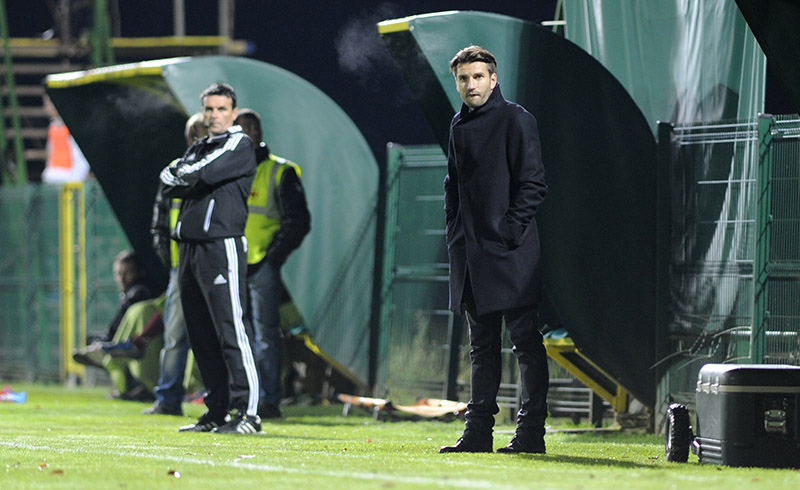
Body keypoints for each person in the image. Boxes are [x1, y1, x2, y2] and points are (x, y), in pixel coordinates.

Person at [439, 46, 549, 454]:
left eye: (478, 76)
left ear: (493, 79)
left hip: (511, 253)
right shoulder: (457, 125)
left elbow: (533, 183)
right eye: (464, 78)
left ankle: (530, 434)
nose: (471, 84)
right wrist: (455, 229)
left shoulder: (517, 119)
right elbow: (453, 185)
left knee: (525, 343)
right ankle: (477, 434)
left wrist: (506, 232)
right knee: (481, 348)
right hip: (471, 254)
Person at [159, 82, 261, 434]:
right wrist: (191, 177)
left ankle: (248, 413)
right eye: (209, 109)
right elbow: (167, 179)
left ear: (234, 113)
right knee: (201, 335)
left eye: (221, 109)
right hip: (188, 248)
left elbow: (202, 174)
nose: (214, 115)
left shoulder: (239, 144)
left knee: (231, 330)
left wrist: (190, 177)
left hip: (221, 245)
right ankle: (216, 411)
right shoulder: (201, 146)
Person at [235, 109, 311, 419]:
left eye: (254, 127)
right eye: (244, 128)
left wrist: (272, 258)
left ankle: (267, 399)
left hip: (261, 265)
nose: (250, 133)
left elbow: (299, 221)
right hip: (233, 265)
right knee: (239, 336)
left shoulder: (280, 171)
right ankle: (244, 397)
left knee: (265, 336)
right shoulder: (228, 171)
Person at [142, 112, 207, 417]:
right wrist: (170, 260)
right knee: (175, 336)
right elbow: (160, 222)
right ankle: (168, 398)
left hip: (212, 265)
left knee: (215, 335)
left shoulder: (222, 170)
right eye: (198, 134)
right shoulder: (173, 172)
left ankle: (218, 397)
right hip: (181, 267)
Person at [73, 250, 153, 368]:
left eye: (127, 272)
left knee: (92, 340)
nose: (122, 278)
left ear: (140, 272)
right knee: (90, 339)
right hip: (123, 340)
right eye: (118, 274)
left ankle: (104, 358)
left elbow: (114, 330)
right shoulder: (132, 293)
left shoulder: (137, 293)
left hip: (126, 342)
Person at [41, 93, 90, 183]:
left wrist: (76, 177)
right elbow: (50, 153)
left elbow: (80, 156)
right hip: (53, 176)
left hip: (69, 177)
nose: (46, 107)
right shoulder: (52, 127)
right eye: (46, 103)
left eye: (49, 103)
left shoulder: (73, 125)